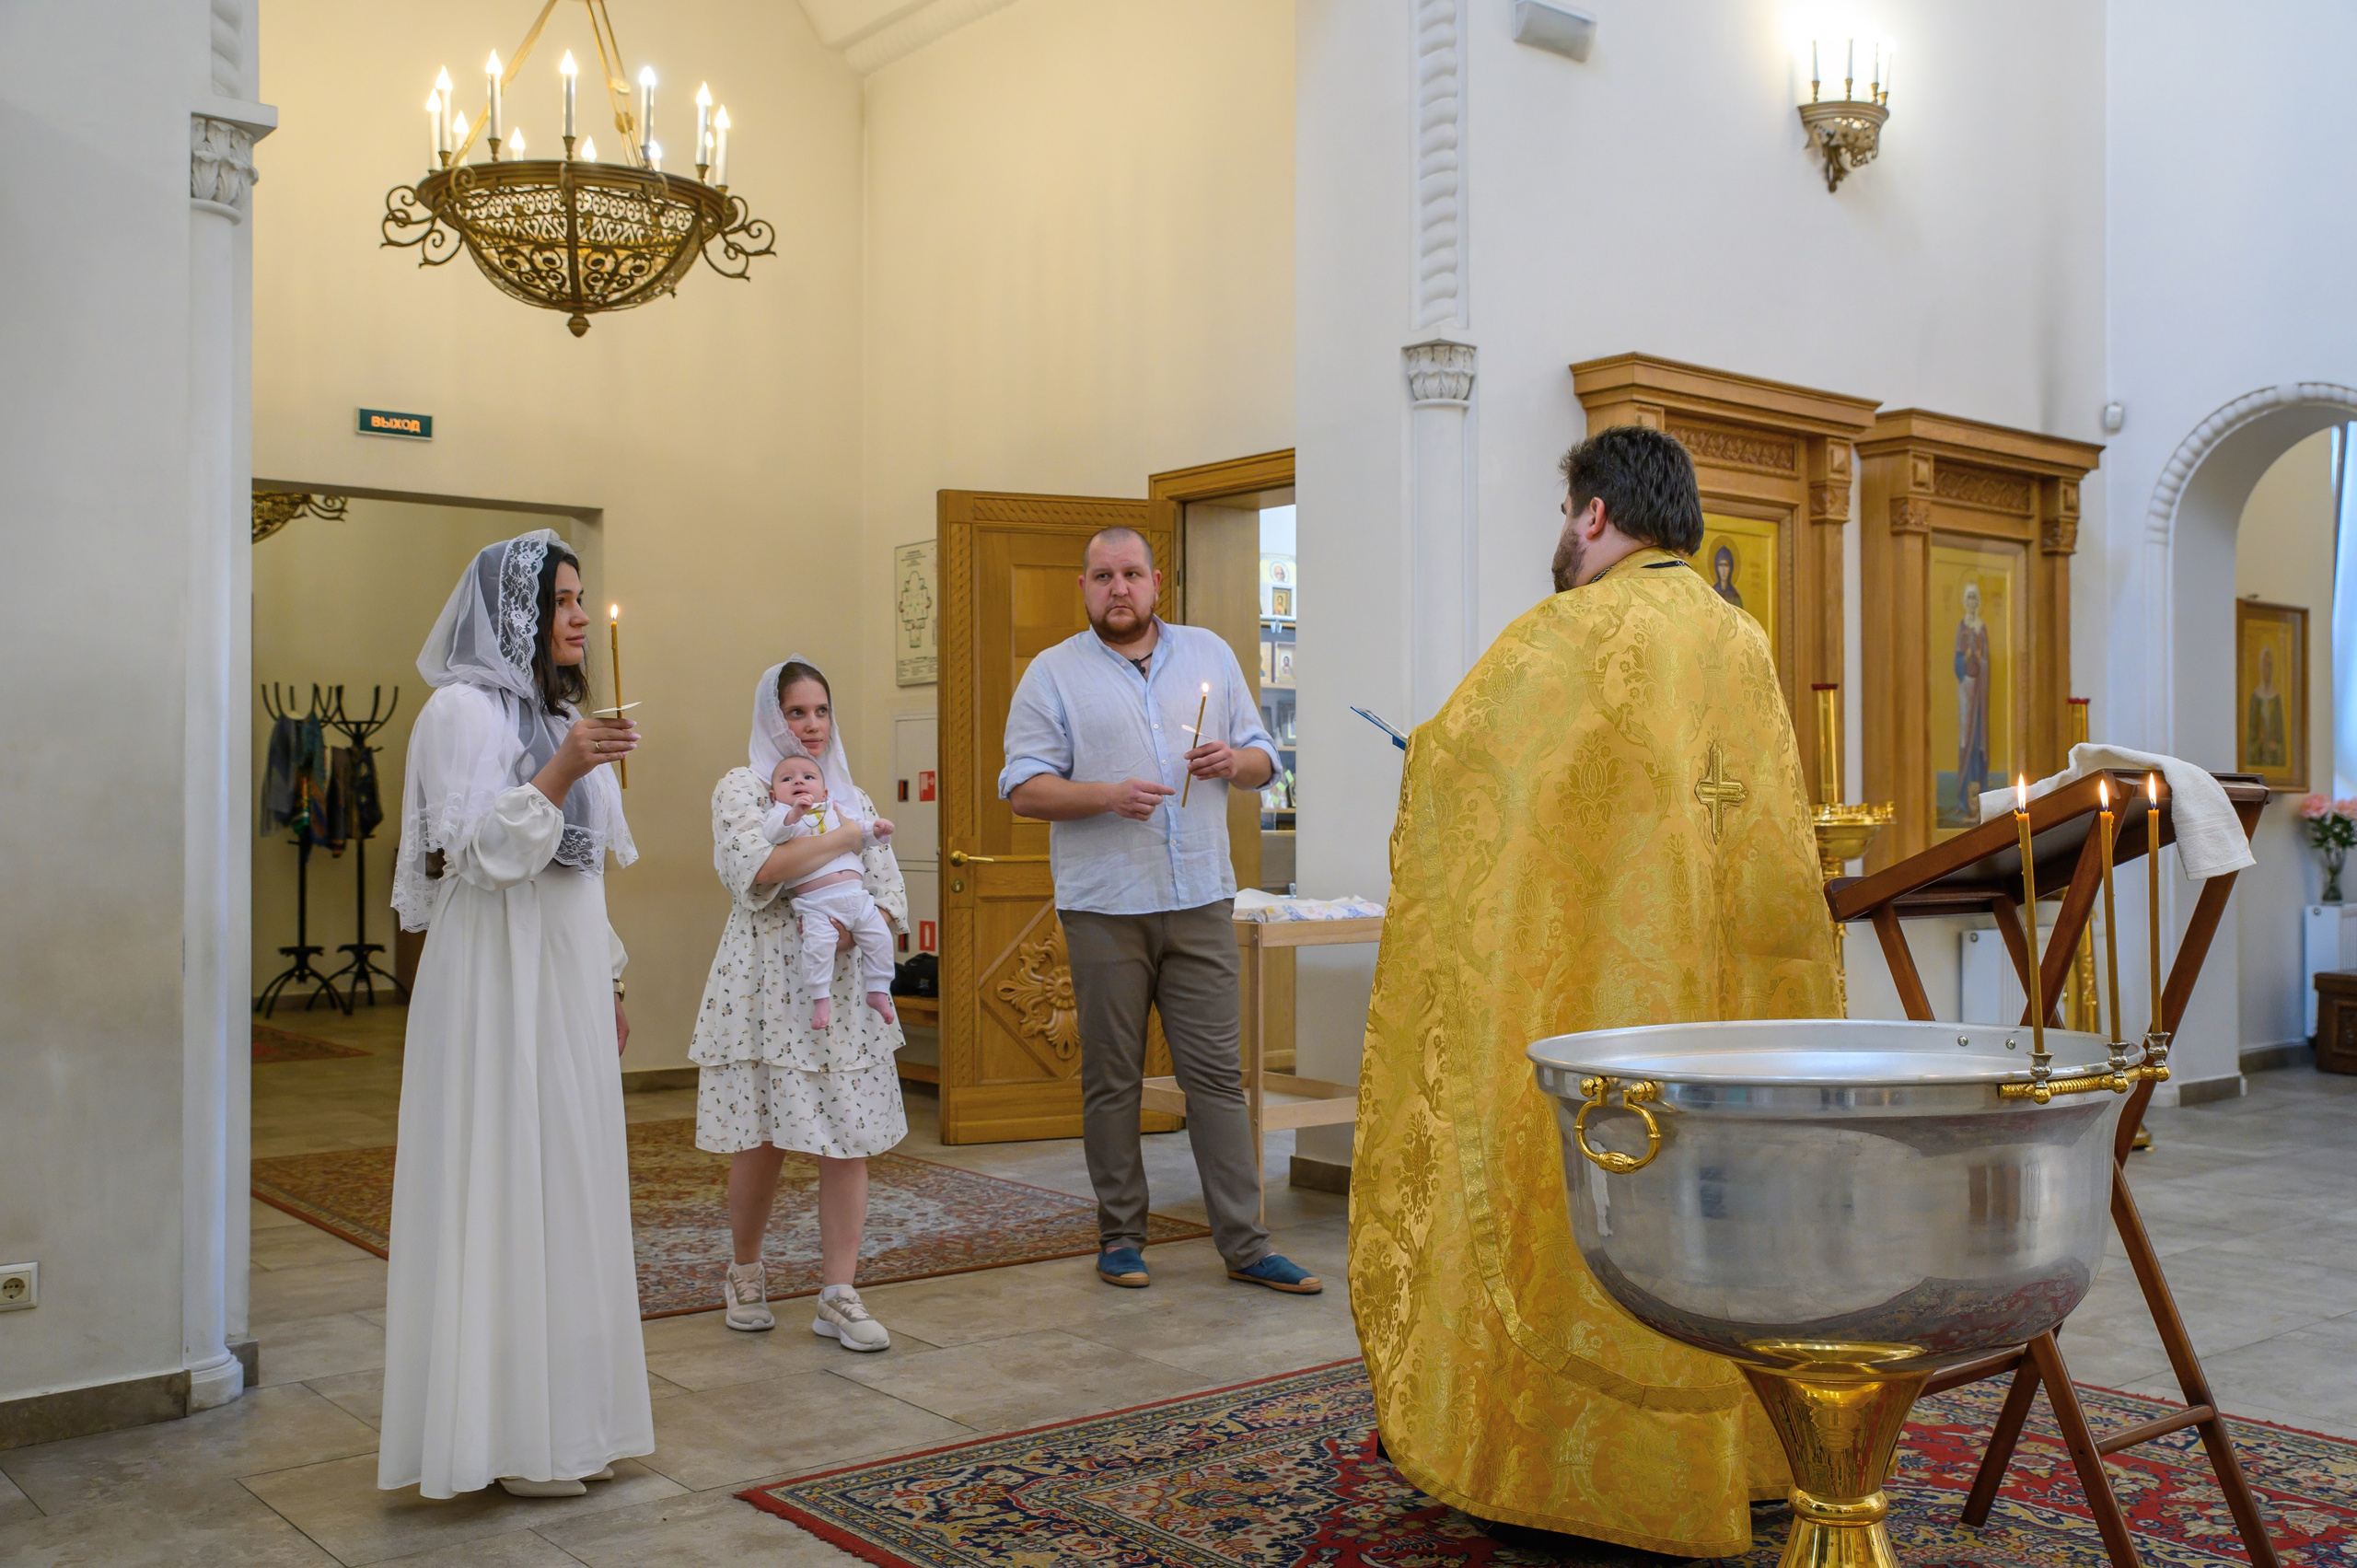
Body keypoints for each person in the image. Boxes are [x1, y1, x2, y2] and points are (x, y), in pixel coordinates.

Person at [1349, 425, 1840, 1554]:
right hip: (1717, 1007)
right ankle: (1750, 1460)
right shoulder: (1739, 638)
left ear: (1590, 515)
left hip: (1597, 1001)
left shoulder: (1565, 633)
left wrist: (1420, 757)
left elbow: (1463, 776)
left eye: (1565, 513)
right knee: (1720, 1216)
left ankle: (1581, 1474)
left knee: (1578, 1207)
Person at [378, 529, 649, 1500]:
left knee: (567, 1171)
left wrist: (609, 978)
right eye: (563, 600)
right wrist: (564, 768)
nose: (580, 615)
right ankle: (500, 1433)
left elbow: (580, 873)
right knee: (503, 1171)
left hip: (561, 972)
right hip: (497, 974)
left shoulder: (555, 714)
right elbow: (479, 853)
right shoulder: (460, 712)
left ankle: (569, 1423)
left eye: (582, 598)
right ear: (518, 616)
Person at [1000, 526, 1321, 1295]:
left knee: (1216, 1079)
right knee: (1112, 1078)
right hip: (1106, 904)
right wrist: (1104, 796)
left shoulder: (1210, 653)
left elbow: (1264, 757)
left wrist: (1232, 762)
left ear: (1156, 581)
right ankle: (1120, 1238)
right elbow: (1022, 786)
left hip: (1201, 896)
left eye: (1132, 574)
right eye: (1103, 575)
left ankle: (1246, 1244)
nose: (1119, 588)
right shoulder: (1052, 675)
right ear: (1083, 586)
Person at [691, 657, 907, 1351]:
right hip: (762, 988)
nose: (810, 726)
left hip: (839, 993)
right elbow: (755, 870)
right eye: (795, 712)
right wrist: (843, 839)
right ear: (769, 718)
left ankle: (838, 1293)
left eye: (820, 711)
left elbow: (890, 894)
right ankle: (746, 1271)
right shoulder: (744, 789)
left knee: (847, 1135)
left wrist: (849, 926)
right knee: (761, 1137)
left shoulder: (856, 794)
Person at [761, 751, 899, 1030]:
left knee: (880, 939)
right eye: (787, 779)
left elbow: (859, 832)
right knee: (818, 949)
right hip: (816, 904)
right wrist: (794, 813)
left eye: (807, 777)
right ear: (775, 796)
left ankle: (878, 990)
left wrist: (878, 830)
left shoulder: (835, 809)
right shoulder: (779, 815)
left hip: (857, 899)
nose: (798, 781)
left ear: (823, 791)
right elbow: (774, 834)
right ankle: (820, 1000)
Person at [1955, 579, 1992, 823]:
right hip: (1967, 690)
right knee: (1966, 738)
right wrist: (1966, 660)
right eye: (1968, 597)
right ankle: (1962, 798)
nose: (1971, 602)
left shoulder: (1981, 628)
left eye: (1974, 598)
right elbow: (1957, 663)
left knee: (1978, 739)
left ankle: (1983, 801)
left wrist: (1981, 660)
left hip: (1980, 693)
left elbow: (1987, 660)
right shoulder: (1962, 627)